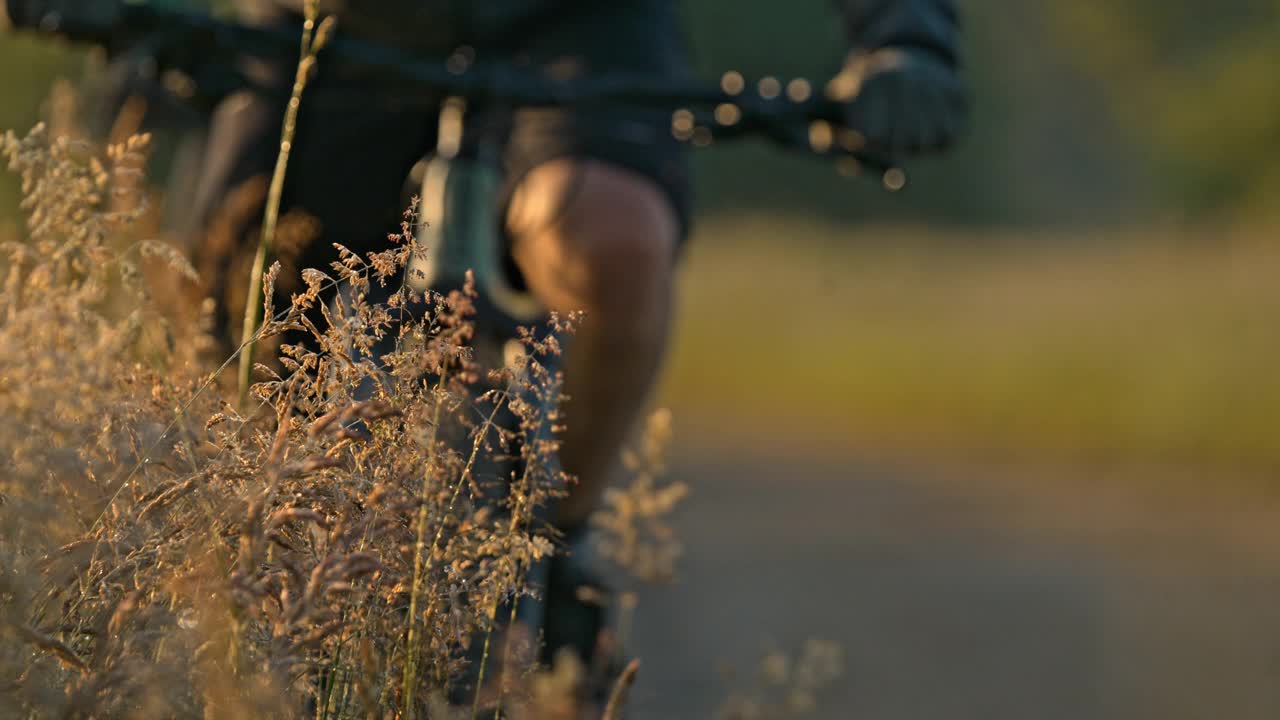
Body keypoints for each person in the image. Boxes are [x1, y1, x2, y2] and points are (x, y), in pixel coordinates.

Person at [3, 0, 966, 669]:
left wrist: (906, 44)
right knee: (237, 312)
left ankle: (552, 556)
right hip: (333, 25)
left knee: (614, 245)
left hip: (584, 32)